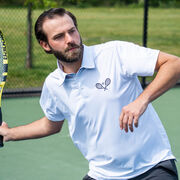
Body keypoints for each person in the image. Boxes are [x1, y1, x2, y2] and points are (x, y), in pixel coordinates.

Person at [0, 8, 180, 180]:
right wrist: (9, 134)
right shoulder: (53, 85)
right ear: (45, 45)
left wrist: (142, 101)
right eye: (59, 37)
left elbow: (174, 64)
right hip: (101, 175)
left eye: (72, 31)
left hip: (152, 168)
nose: (70, 39)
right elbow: (52, 124)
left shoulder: (114, 53)